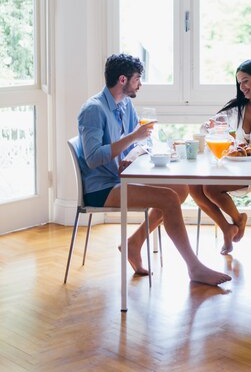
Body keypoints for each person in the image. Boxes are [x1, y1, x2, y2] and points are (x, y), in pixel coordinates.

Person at [77, 53, 231, 286]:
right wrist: (132, 139)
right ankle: (194, 267)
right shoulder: (93, 110)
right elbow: (92, 158)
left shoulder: (125, 104)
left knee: (180, 189)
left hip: (122, 178)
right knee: (168, 199)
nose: (140, 83)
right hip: (102, 187)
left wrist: (135, 149)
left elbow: (143, 141)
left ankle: (134, 242)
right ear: (122, 80)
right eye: (137, 78)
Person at [189, 59, 251, 255]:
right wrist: (210, 126)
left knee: (209, 187)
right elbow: (209, 126)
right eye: (239, 83)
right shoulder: (238, 107)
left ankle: (238, 220)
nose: (242, 87)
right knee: (193, 186)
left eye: (245, 81)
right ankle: (227, 227)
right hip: (238, 166)